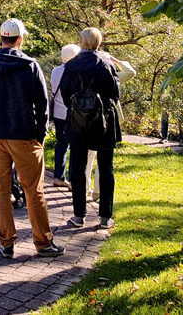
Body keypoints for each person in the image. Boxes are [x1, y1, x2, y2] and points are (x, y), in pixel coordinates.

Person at [0, 18, 63, 258]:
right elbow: (43, 105)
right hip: (24, 136)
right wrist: (41, 136)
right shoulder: (30, 65)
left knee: (0, 189)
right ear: (20, 39)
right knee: (34, 190)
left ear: (1, 39)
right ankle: (43, 242)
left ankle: (6, 242)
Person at [59, 27, 121, 229]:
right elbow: (115, 92)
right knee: (106, 166)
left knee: (77, 167)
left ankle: (79, 214)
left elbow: (66, 92)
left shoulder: (72, 64)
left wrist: (79, 107)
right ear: (99, 42)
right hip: (104, 120)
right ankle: (105, 216)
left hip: (78, 120)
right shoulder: (106, 64)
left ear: (81, 42)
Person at [84, 53, 136, 202]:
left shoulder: (87, 74)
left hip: (88, 118)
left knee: (88, 156)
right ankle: (97, 192)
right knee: (103, 158)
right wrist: (116, 60)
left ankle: (85, 190)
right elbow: (131, 72)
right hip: (106, 118)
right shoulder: (112, 77)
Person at [49, 44, 82, 189]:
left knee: (61, 144)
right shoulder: (75, 72)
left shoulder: (55, 71)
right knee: (74, 145)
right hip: (71, 112)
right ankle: (72, 179)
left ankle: (58, 176)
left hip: (57, 112)